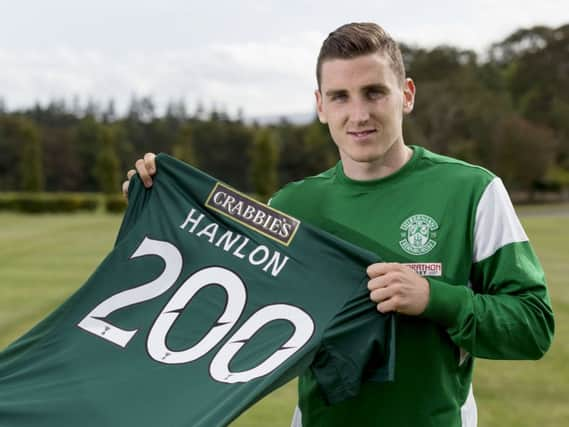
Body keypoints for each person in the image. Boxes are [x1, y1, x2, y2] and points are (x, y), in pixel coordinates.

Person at [122, 22, 554, 427]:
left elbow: (533, 326)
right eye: (341, 97)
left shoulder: (472, 191)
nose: (359, 114)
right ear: (320, 106)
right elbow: (224, 307)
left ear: (406, 94)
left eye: (374, 93)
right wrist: (158, 210)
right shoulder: (291, 205)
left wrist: (435, 298)